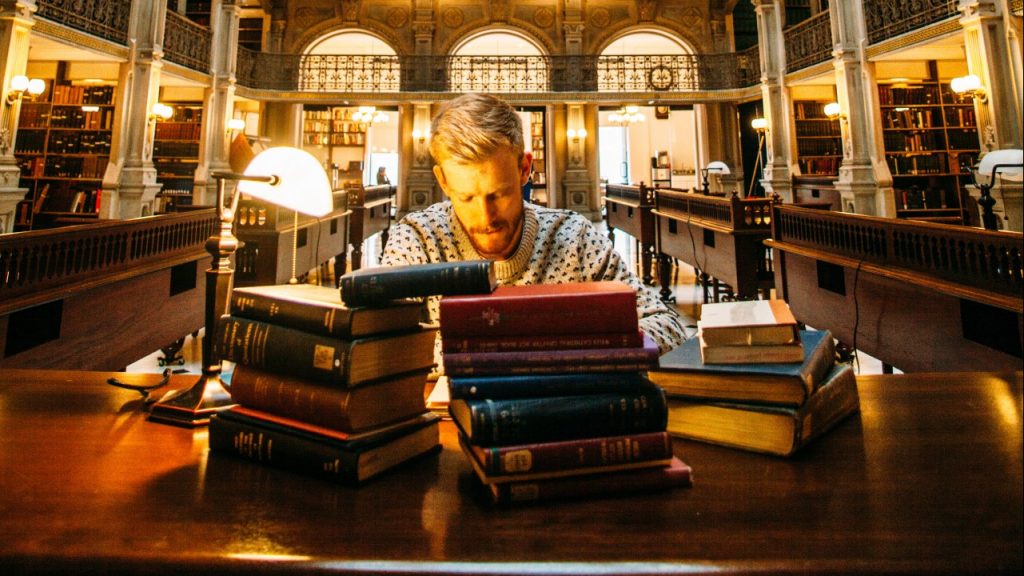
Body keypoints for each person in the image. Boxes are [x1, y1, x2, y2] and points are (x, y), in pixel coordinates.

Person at [380, 93, 687, 366]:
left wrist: (563, 352)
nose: (486, 217)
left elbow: (667, 326)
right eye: (467, 197)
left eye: (498, 194)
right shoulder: (416, 240)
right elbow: (383, 351)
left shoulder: (574, 238)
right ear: (443, 181)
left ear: (525, 169)